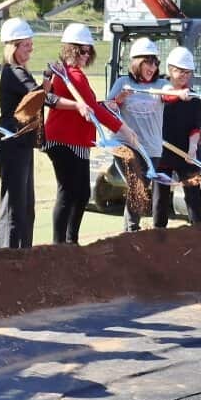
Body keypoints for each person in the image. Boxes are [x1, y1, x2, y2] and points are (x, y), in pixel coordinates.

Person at [43, 23, 138, 244]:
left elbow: (91, 105)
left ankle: (69, 240)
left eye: (89, 51)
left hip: (75, 139)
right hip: (65, 140)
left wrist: (112, 103)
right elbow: (91, 108)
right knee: (69, 192)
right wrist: (123, 128)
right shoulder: (71, 75)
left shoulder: (70, 74)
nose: (86, 55)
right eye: (82, 51)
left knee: (80, 193)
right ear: (71, 50)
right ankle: (62, 243)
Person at [107, 37, 165, 231]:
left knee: (141, 189)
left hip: (152, 149)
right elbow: (107, 110)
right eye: (148, 62)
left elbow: (172, 92)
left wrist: (180, 93)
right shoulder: (123, 83)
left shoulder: (161, 84)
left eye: (155, 62)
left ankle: (131, 228)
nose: (152, 67)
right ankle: (131, 230)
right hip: (125, 144)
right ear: (137, 62)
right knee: (136, 184)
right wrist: (118, 100)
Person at [0, 18, 39, 248]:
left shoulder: (20, 71)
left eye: (31, 45)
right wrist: (52, 80)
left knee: (25, 205)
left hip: (22, 142)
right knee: (14, 206)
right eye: (25, 45)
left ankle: (23, 254)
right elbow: (40, 95)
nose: (30, 50)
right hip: (12, 142)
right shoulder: (14, 72)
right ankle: (7, 257)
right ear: (13, 47)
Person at [154, 47, 201, 228]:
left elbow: (195, 128)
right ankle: (158, 233)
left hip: (186, 154)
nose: (183, 75)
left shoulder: (195, 99)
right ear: (170, 69)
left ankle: (200, 231)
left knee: (194, 195)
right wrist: (177, 94)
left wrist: (193, 148)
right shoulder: (159, 92)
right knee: (160, 197)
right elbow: (165, 96)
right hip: (162, 152)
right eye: (179, 71)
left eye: (187, 72)